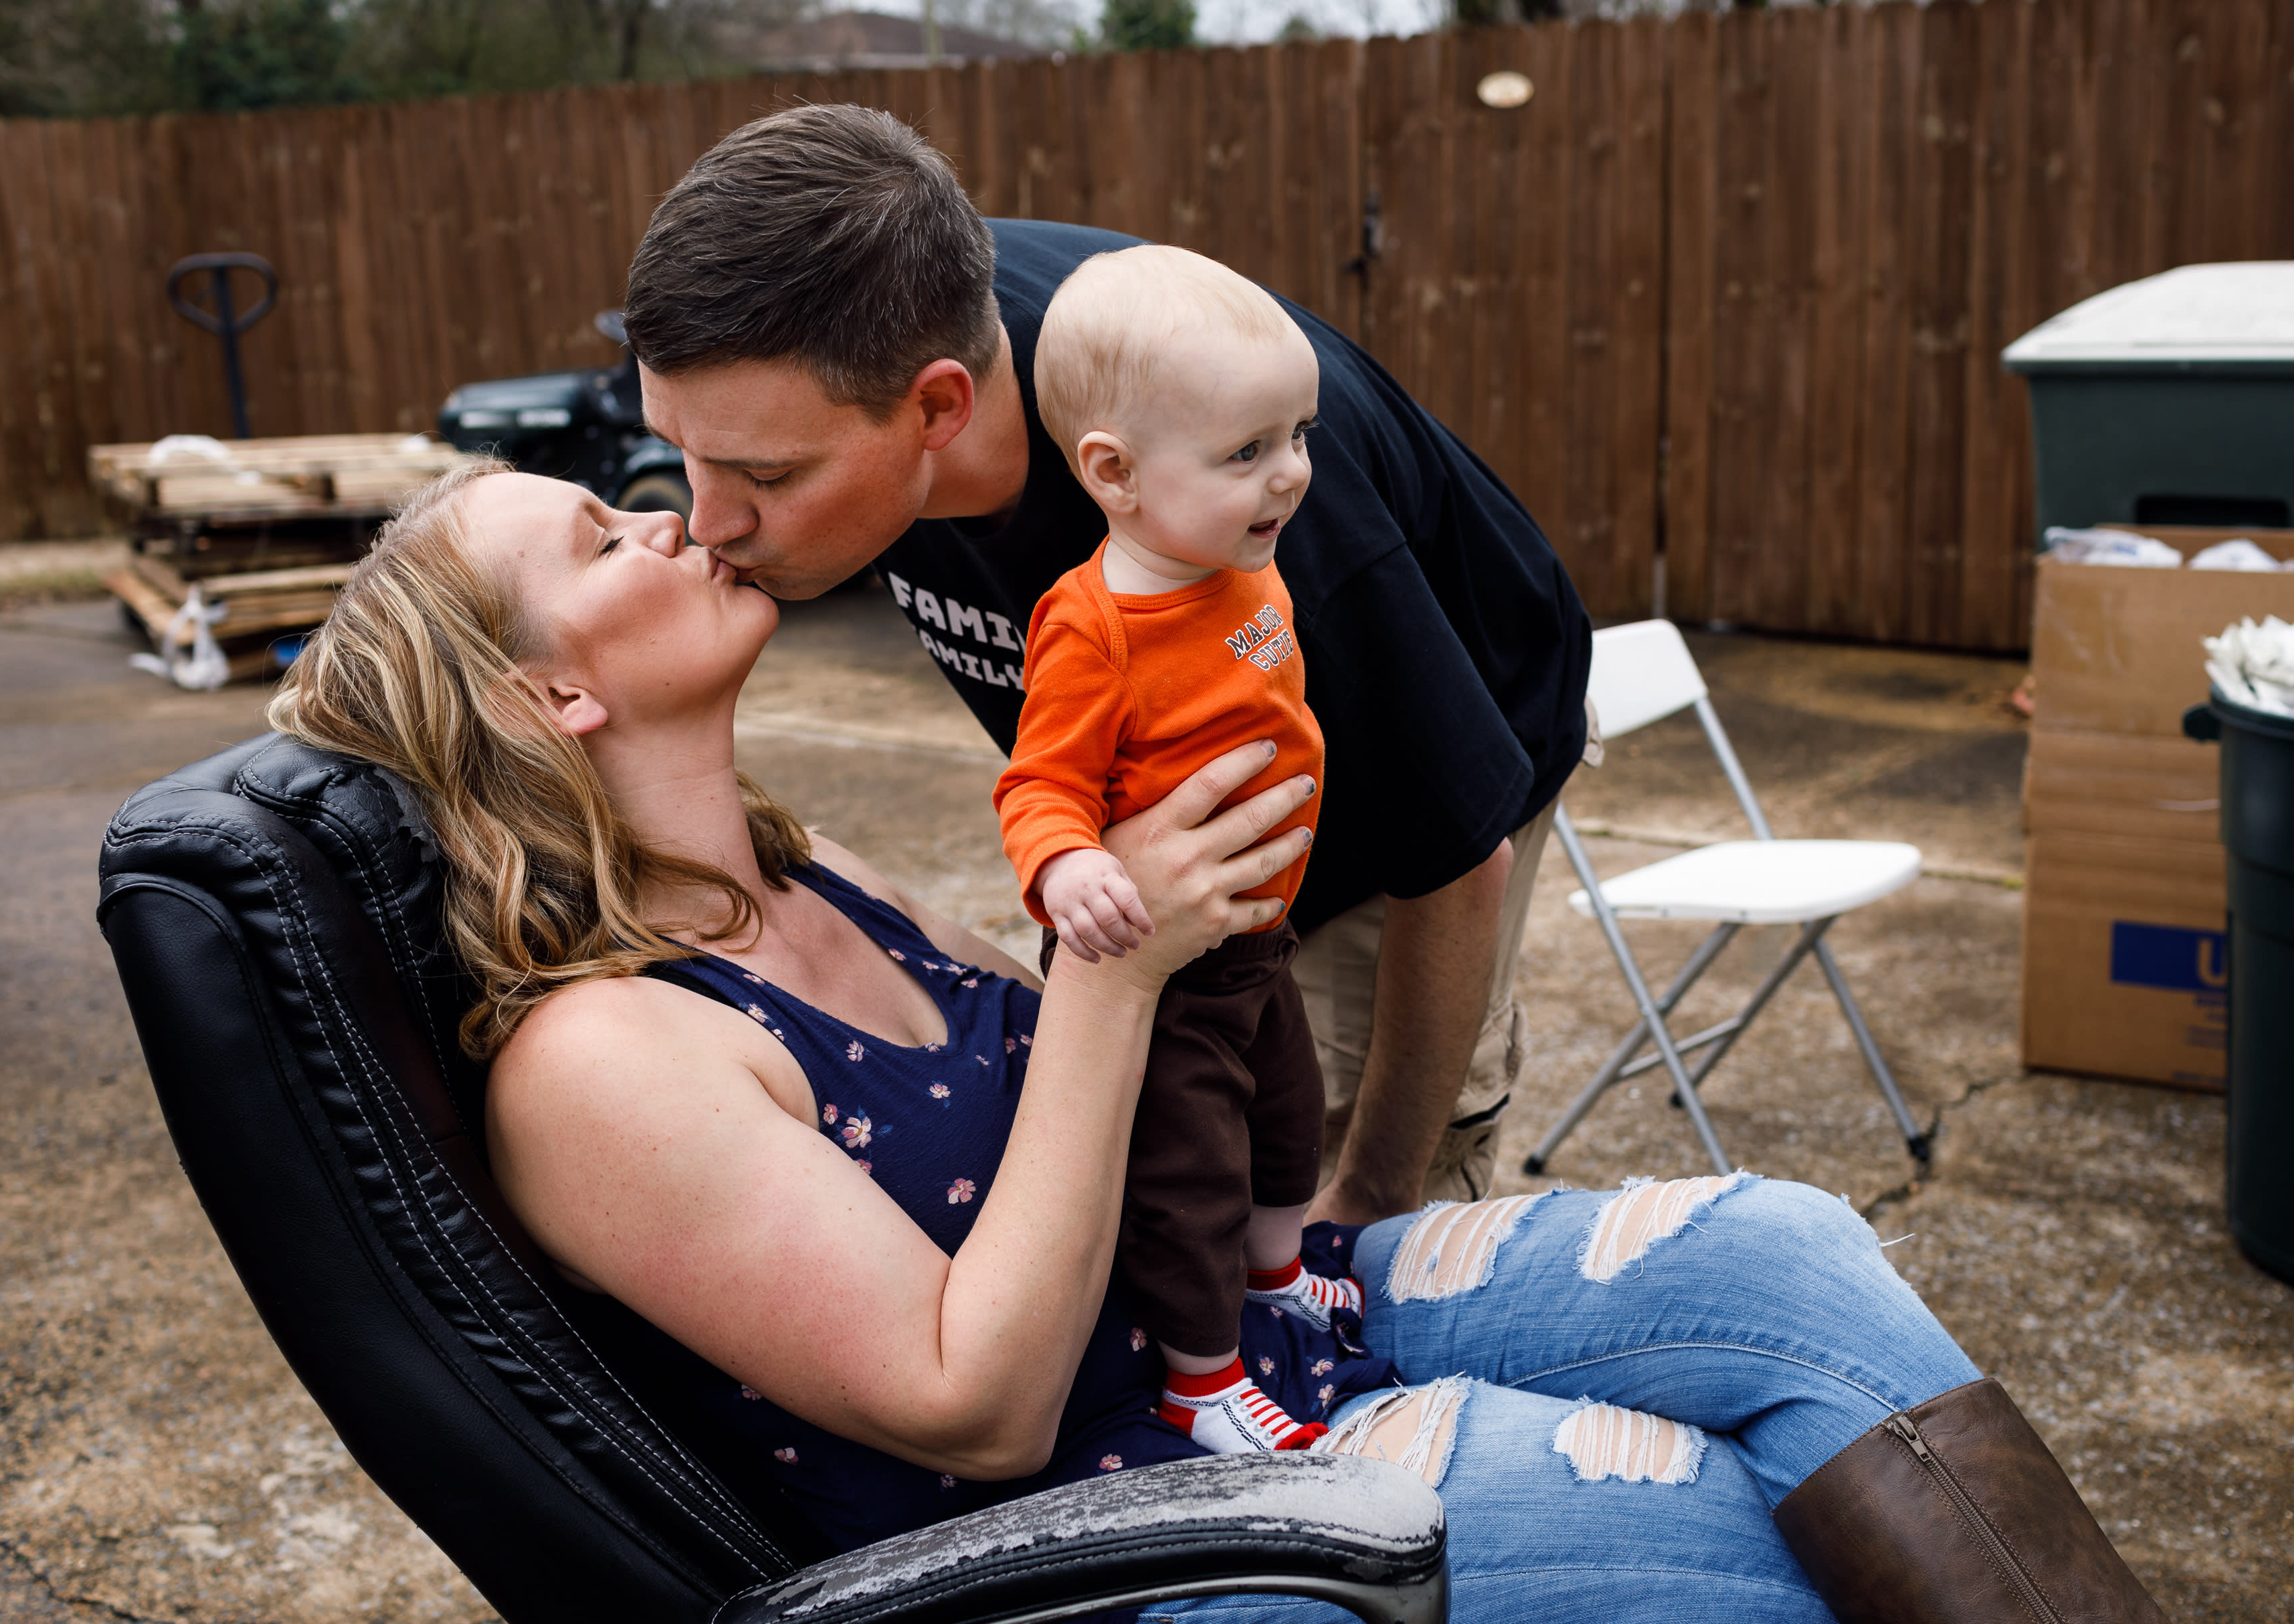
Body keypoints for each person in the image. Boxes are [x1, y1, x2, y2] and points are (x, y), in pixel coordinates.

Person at [269, 464, 2166, 1624]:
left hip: (1238, 1331)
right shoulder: (599, 1058)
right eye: (605, 536)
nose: (670, 511)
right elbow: (974, 1407)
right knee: (1765, 1533)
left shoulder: (798, 867)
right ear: (552, 687)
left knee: (1784, 1246)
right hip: (1132, 1515)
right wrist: (1116, 968)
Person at [619, 103, 1600, 1227]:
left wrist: (1373, 1191)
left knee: (1302, 1168)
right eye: (678, 451)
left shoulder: (1234, 493)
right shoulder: (858, 322)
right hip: (1203, 766)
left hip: (1418, 782)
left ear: (940, 406)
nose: (707, 522)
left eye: (766, 476)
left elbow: (1456, 851)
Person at [997, 244, 1351, 1454]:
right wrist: (1068, 866)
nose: (1292, 475)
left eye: (1298, 435)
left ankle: (1277, 1281)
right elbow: (1040, 782)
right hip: (1170, 963)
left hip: (1259, 933)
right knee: (1188, 1170)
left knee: (1289, 1124)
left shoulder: (1241, 564)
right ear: (1116, 473)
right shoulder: (1093, 627)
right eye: (1248, 452)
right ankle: (1202, 1380)